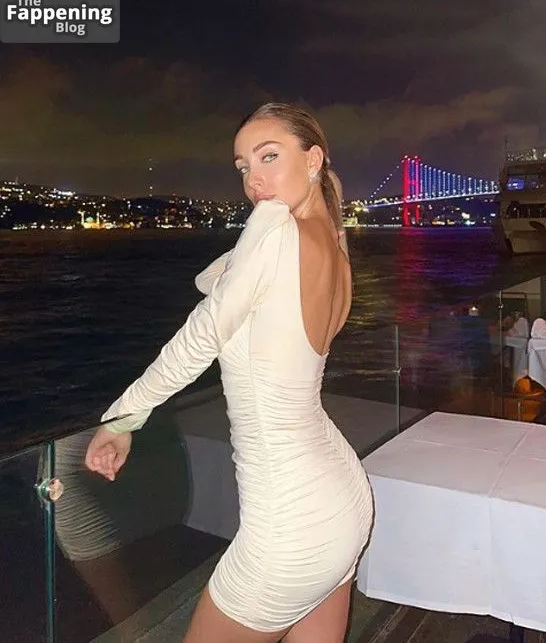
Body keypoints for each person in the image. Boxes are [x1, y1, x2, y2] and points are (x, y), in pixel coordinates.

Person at [85, 102, 374, 642]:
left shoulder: (274, 228)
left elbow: (201, 336)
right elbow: (217, 282)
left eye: (269, 157)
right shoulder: (335, 246)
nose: (253, 179)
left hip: (288, 525)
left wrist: (123, 418)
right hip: (343, 500)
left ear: (313, 160)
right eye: (243, 166)